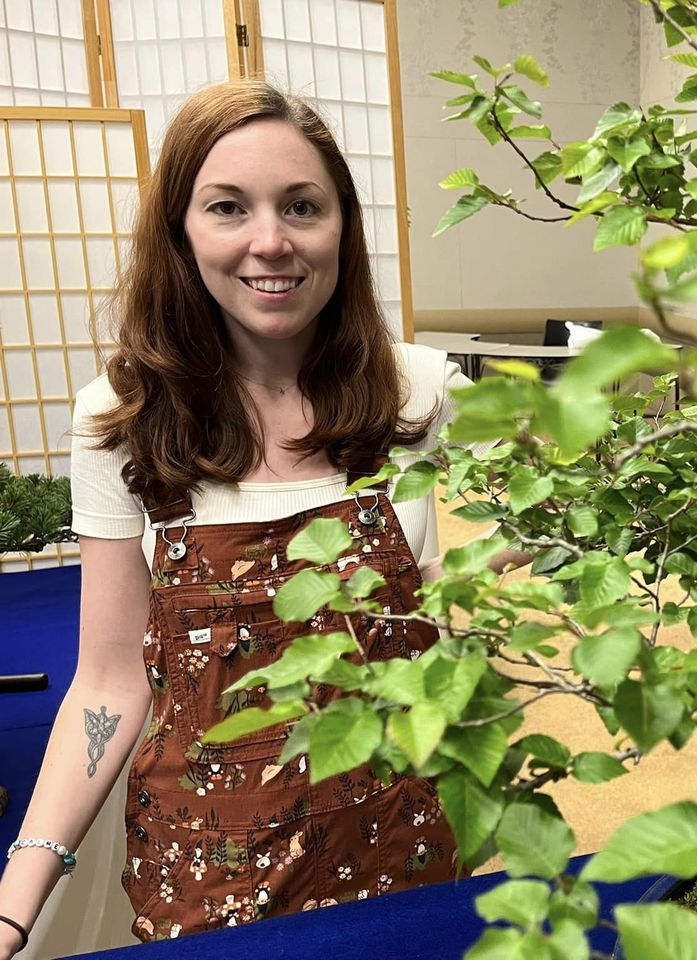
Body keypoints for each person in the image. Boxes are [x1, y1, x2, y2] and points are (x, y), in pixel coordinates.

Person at [0, 79, 511, 952]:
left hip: (397, 816)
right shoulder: (120, 418)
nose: (269, 242)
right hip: (208, 850)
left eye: (302, 206)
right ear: (180, 231)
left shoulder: (419, 393)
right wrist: (17, 894)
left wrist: (441, 585)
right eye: (228, 207)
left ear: (342, 226)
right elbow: (110, 680)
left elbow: (544, 524)